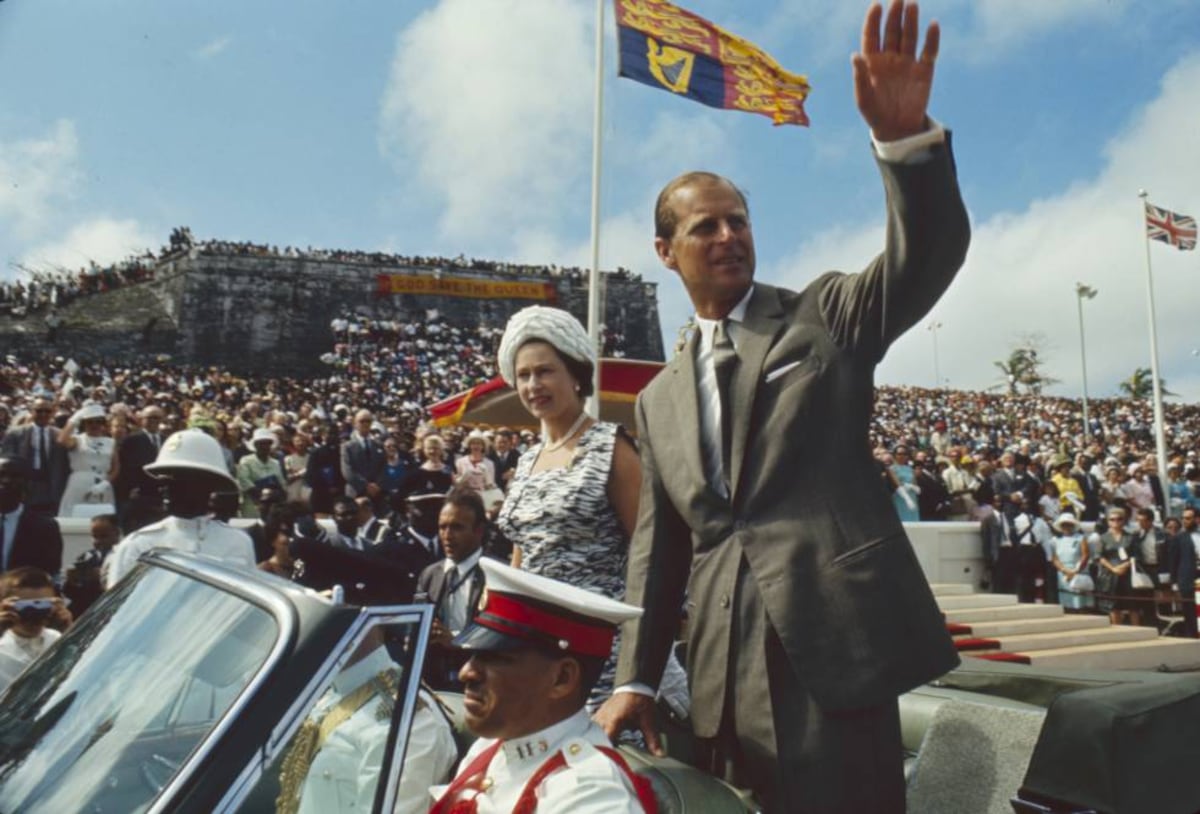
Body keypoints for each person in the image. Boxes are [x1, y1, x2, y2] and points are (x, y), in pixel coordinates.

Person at [596, 4, 968, 810]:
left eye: (740, 220)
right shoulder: (656, 401)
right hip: (717, 671)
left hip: (831, 654)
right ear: (666, 252)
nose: (729, 235)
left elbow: (924, 259)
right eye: (706, 227)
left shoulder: (823, 314)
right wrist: (633, 677)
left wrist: (907, 146)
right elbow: (659, 554)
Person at [494, 305, 644, 712]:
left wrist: (638, 669)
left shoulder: (611, 446)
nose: (533, 385)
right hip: (537, 655)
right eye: (523, 375)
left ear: (577, 375)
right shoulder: (526, 460)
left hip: (605, 658)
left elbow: (650, 555)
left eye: (545, 371)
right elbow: (520, 560)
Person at [429, 559, 654, 814]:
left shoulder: (591, 795)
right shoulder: (491, 748)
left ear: (562, 679)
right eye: (472, 656)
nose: (465, 673)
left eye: (494, 658)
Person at [105, 429, 256, 587]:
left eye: (176, 478)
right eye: (163, 478)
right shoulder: (138, 545)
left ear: (208, 483)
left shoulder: (237, 542)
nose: (163, 487)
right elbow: (119, 609)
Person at [416, 489, 489, 690]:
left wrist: (457, 642)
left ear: (479, 530)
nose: (447, 536)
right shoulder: (429, 575)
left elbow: (501, 643)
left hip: (479, 684)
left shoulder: (496, 576)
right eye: (442, 527)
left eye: (457, 527)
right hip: (434, 685)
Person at [0, 566, 71, 692]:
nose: (34, 613)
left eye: (42, 605)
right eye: (25, 606)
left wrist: (70, 630)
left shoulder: (59, 639)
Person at [1, 398, 69, 514]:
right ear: (32, 411)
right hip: (25, 485)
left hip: (51, 486)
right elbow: (7, 464)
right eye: (39, 411)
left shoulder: (60, 435)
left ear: (53, 412)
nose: (43, 414)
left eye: (47, 411)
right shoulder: (15, 434)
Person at [0, 457, 64, 576]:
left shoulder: (46, 528)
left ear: (27, 483)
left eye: (14, 476)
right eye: (1, 475)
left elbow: (50, 573)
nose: (6, 481)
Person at [56, 403, 117, 517]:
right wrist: (74, 419)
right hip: (79, 483)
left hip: (102, 485)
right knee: (73, 517)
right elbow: (62, 440)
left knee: (103, 519)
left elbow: (116, 468)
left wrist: (105, 483)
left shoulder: (110, 442)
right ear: (84, 423)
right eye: (90, 421)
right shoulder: (78, 440)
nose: (94, 425)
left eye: (98, 421)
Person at [114, 405, 166, 533]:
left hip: (161, 495)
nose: (154, 421)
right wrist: (129, 490)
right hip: (139, 495)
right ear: (142, 419)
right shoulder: (131, 440)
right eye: (150, 417)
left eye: (157, 418)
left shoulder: (167, 441)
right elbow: (125, 468)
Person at [63, 513, 120, 616]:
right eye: (94, 537)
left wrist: (103, 576)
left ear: (117, 533)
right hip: (84, 611)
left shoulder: (122, 556)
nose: (98, 541)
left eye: (103, 536)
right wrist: (72, 581)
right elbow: (71, 594)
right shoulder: (87, 557)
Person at [236, 427, 286, 517]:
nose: (264, 446)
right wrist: (261, 494)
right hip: (252, 503)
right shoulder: (246, 460)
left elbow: (282, 483)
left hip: (272, 506)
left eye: (267, 444)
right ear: (255, 445)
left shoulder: (275, 463)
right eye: (261, 444)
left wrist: (276, 493)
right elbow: (244, 480)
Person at [1049, 513, 1092, 612]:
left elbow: (1085, 555)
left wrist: (1074, 571)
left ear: (1073, 525)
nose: (1066, 527)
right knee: (1066, 602)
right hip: (1063, 574)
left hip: (1078, 572)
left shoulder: (1080, 538)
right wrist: (1064, 570)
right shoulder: (1055, 540)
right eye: (1064, 524)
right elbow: (1055, 558)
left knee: (1079, 603)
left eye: (1069, 524)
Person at [1167, 506, 1198, 637]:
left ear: (1197, 519)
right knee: (1189, 609)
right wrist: (1174, 582)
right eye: (1183, 518)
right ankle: (1192, 635)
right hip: (1187, 578)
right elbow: (1173, 561)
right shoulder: (1178, 538)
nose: (1185, 521)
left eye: (1188, 518)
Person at [341, 409, 385, 500]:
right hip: (355, 492)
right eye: (362, 421)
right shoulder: (347, 446)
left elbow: (383, 467)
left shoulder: (378, 445)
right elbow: (347, 471)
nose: (365, 424)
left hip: (375, 492)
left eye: (368, 421)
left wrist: (377, 484)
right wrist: (366, 485)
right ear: (355, 423)